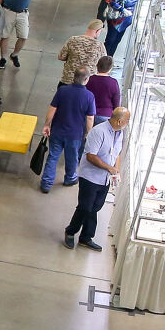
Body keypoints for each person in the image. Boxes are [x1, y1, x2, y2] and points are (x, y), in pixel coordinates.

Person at [63, 104, 127, 251]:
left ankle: (86, 237)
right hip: (90, 178)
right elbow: (91, 156)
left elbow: (116, 153)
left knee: (95, 207)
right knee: (85, 207)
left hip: (105, 179)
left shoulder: (119, 133)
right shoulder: (99, 132)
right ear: (119, 121)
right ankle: (71, 231)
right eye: (127, 120)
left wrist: (116, 169)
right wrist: (109, 168)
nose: (127, 124)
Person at [41, 71, 95, 192]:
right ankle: (70, 178)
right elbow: (90, 118)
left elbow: (52, 108)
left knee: (53, 156)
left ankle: (46, 183)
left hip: (57, 131)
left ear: (74, 77)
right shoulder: (89, 96)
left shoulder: (62, 90)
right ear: (86, 80)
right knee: (72, 157)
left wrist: (47, 124)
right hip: (75, 134)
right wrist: (88, 133)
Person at [57, 19, 103, 86]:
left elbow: (61, 57)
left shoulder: (73, 40)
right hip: (87, 84)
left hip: (68, 81)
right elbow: (103, 66)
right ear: (97, 31)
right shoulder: (100, 46)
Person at [85, 54, 120, 125]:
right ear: (110, 69)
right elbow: (116, 102)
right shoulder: (113, 82)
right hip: (105, 115)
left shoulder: (89, 79)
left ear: (97, 66)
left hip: (88, 113)